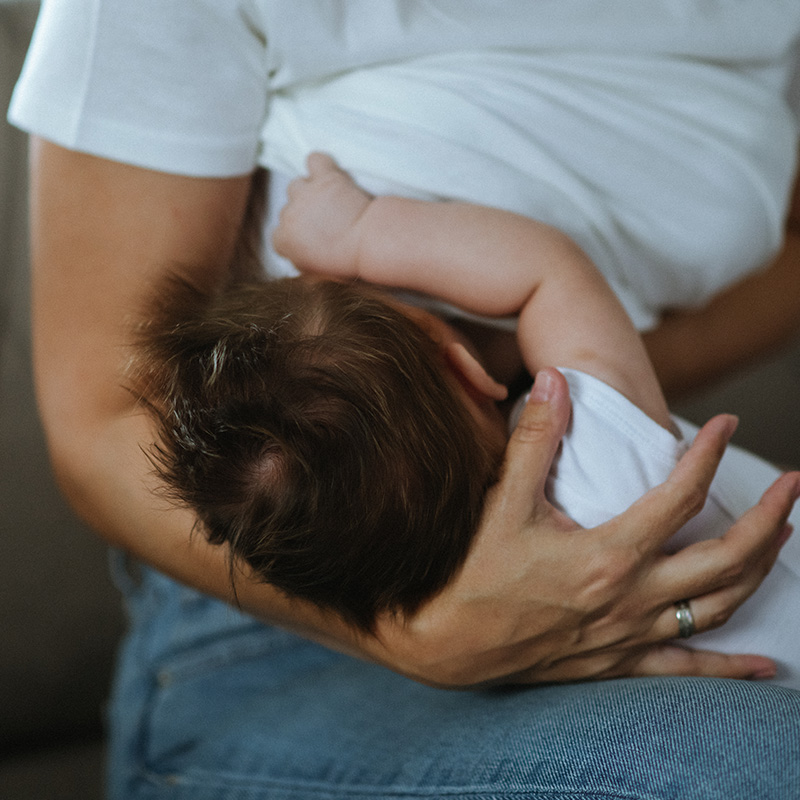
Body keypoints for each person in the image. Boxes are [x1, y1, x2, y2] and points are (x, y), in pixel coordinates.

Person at [8, 2, 800, 797]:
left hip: (359, 563)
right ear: (464, 364)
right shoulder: (594, 427)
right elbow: (101, 423)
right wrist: (423, 638)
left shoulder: (599, 431)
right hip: (277, 622)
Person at [132, 152, 800, 691]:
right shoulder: (587, 444)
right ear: (459, 362)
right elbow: (546, 271)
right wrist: (361, 234)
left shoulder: (495, 619)